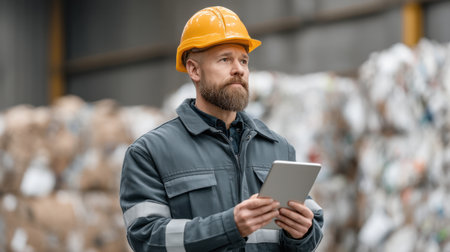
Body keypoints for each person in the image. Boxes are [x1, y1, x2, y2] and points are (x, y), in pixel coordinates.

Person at [120, 6, 323, 252]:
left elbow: (309, 233)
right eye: (225, 59)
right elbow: (146, 238)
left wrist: (303, 233)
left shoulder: (277, 148)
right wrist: (229, 226)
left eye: (244, 60)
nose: (239, 69)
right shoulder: (150, 152)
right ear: (194, 70)